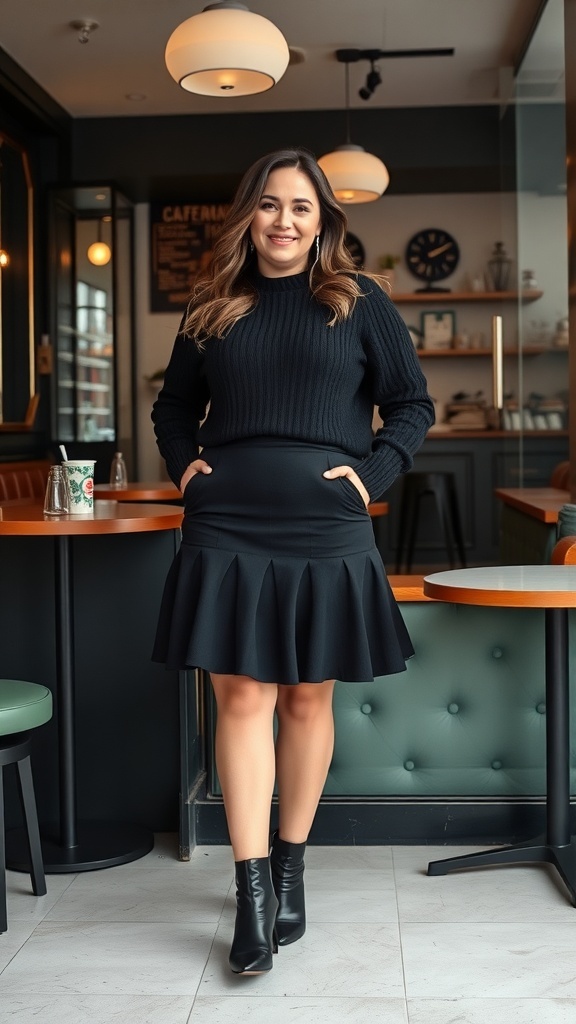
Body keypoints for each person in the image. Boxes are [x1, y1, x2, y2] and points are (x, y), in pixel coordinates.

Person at [151, 148, 435, 976]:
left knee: (307, 697)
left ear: (323, 221)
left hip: (326, 524)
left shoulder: (359, 301)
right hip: (227, 518)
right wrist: (183, 466)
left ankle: (289, 867)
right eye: (270, 205)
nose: (284, 221)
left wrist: (373, 476)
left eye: (301, 208)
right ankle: (250, 896)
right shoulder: (212, 305)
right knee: (240, 696)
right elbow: (174, 407)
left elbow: (412, 402)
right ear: (250, 214)